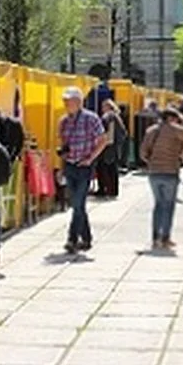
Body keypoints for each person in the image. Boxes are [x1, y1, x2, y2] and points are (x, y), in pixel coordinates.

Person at [140, 107, 183, 249]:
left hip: (154, 173)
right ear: (172, 118)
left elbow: (143, 153)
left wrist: (152, 163)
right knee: (168, 206)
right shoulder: (175, 129)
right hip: (170, 173)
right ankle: (165, 238)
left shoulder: (151, 131)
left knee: (158, 205)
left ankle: (155, 238)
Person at [58, 86, 108, 254]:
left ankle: (72, 239)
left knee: (78, 204)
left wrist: (91, 158)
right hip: (70, 166)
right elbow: (64, 144)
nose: (66, 104)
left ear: (78, 102)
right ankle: (86, 238)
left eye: (68, 101)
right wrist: (62, 163)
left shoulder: (91, 119)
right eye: (65, 101)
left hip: (84, 166)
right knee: (77, 204)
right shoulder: (64, 121)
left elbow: (103, 140)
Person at [96, 99, 127, 199]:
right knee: (112, 169)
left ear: (108, 107)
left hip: (107, 146)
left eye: (103, 106)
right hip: (114, 147)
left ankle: (103, 190)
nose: (102, 108)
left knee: (103, 168)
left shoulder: (108, 116)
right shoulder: (117, 117)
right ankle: (113, 190)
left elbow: (103, 131)